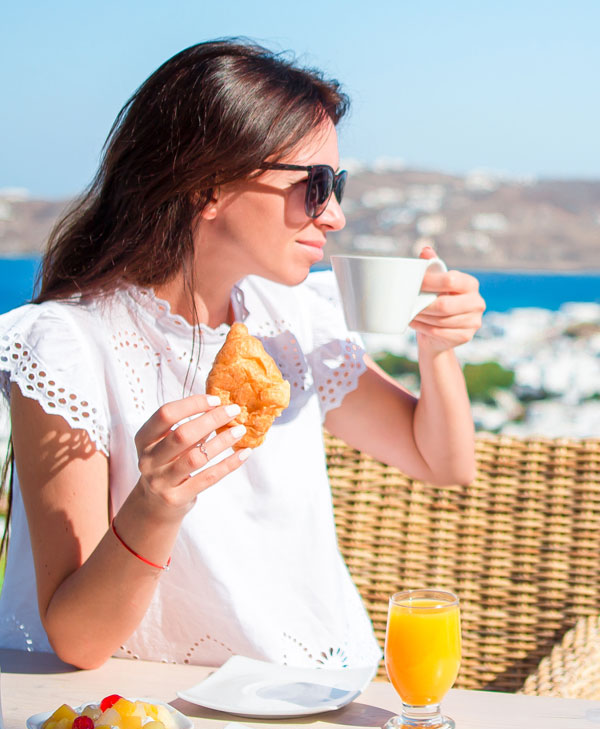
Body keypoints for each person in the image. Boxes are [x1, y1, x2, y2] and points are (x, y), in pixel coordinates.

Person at [0, 39, 484, 670]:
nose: (334, 214)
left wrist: (437, 349)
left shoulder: (294, 321)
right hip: (154, 722)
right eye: (314, 186)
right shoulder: (67, 348)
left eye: (337, 185)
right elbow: (80, 640)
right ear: (208, 186)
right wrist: (157, 501)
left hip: (324, 694)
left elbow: (441, 462)